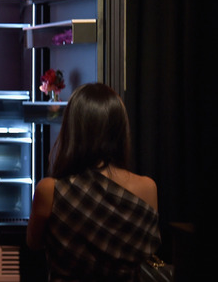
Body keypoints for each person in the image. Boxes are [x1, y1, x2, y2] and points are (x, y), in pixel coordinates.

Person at [26, 82, 161, 281]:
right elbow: (148, 252)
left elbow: (33, 243)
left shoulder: (50, 190)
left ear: (72, 130)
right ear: (120, 130)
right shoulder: (148, 188)